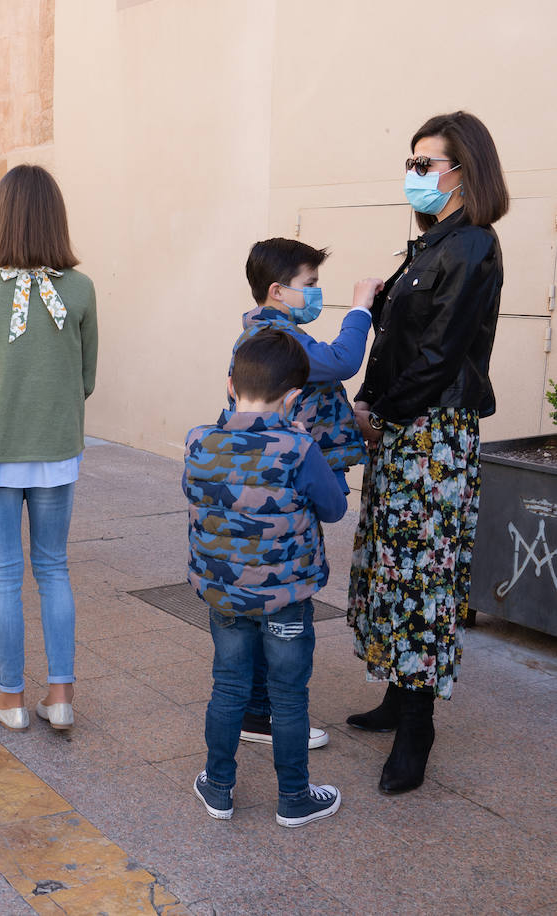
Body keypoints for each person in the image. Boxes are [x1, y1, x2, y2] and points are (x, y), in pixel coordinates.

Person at [347, 110, 508, 794]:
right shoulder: (431, 246)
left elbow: (440, 356)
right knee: (389, 566)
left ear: (462, 174)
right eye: (409, 164)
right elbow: (400, 342)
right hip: (402, 430)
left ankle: (418, 730)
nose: (412, 176)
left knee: (421, 580)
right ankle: (394, 694)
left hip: (431, 438)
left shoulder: (471, 246)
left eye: (424, 165)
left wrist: (378, 411)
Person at [186, 329, 347, 828]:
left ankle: (218, 787)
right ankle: (294, 797)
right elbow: (336, 508)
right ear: (295, 397)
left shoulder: (199, 440)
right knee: (289, 695)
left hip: (226, 596)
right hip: (288, 599)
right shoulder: (298, 446)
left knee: (228, 687)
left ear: (230, 384)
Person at [0, 165, 95, 732]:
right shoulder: (81, 288)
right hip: (57, 446)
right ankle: (60, 695)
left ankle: (11, 698)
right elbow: (86, 377)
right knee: (55, 569)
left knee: (5, 575)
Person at [229, 238, 375, 752]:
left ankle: (255, 709)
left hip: (283, 486)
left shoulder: (276, 333)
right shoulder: (277, 338)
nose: (316, 294)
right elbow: (339, 363)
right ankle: (267, 715)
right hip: (293, 488)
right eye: (310, 285)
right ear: (277, 290)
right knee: (284, 604)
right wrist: (361, 309)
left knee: (270, 605)